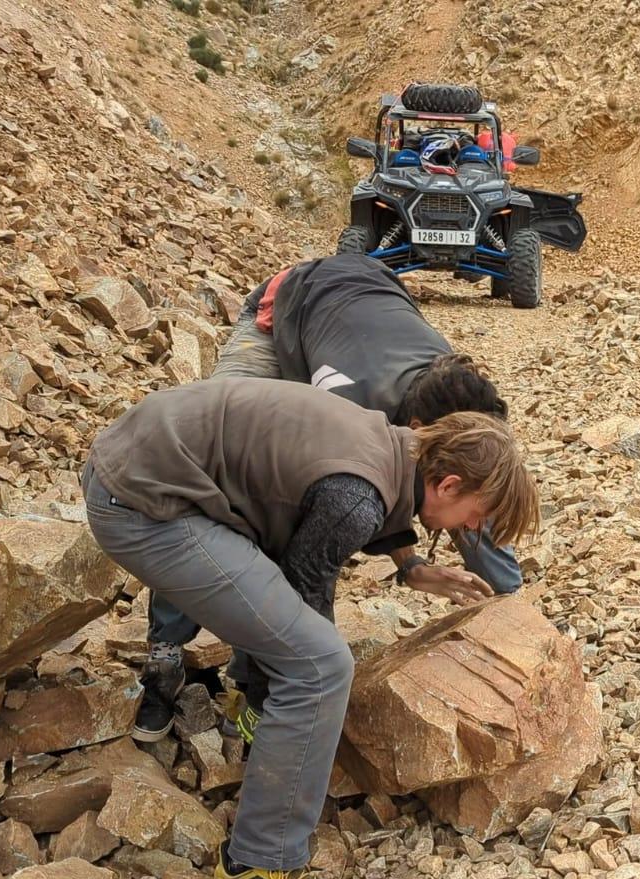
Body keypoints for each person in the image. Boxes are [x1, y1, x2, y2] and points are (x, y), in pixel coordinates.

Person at [84, 378, 537, 879]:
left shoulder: (394, 444)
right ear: (449, 485)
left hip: (138, 463)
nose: (469, 532)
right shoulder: (357, 497)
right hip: (141, 505)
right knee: (321, 665)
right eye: (476, 518)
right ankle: (261, 867)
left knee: (294, 638)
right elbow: (308, 589)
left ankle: (253, 716)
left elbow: (342, 510)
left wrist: (411, 565)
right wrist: (285, 701)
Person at [135, 253, 522, 743]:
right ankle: (167, 654)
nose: (468, 528)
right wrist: (292, 680)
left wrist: (504, 616)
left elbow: (460, 491)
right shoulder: (348, 410)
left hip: (361, 303)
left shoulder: (455, 394)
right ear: (417, 434)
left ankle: (508, 603)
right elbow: (311, 558)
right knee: (216, 479)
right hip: (283, 315)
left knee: (471, 489)